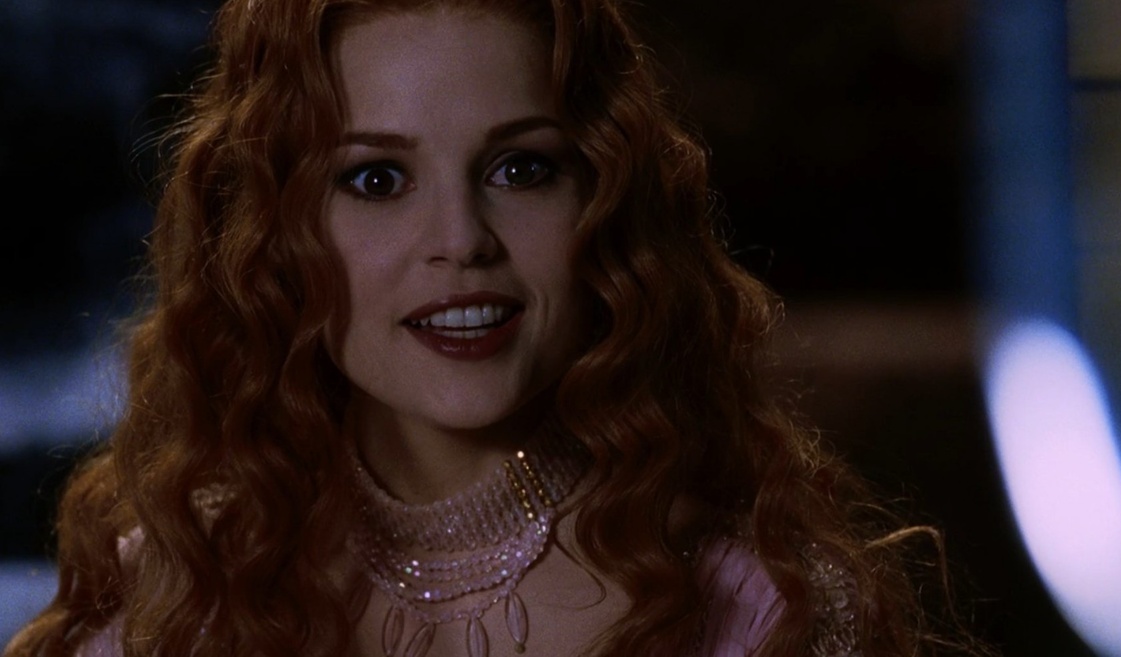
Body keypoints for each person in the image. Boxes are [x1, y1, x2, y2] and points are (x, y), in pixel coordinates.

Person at [6, 1, 986, 656]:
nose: (461, 240)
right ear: (275, 232)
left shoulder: (769, 611)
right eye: (376, 179)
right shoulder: (172, 600)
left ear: (604, 202)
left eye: (521, 169)